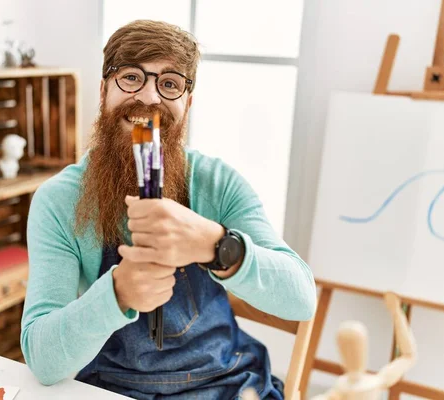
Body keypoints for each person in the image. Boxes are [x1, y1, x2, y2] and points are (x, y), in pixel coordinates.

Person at [21, 19, 317, 399]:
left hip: (227, 384)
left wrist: (217, 245)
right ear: (103, 90)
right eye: (130, 77)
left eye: (170, 83)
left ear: (187, 103)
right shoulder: (60, 201)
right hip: (114, 389)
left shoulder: (217, 183)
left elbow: (301, 299)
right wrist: (118, 293)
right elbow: (43, 361)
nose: (149, 98)